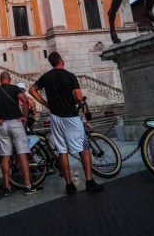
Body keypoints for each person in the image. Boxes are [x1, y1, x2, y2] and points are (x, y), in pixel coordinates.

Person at [29, 52, 104, 195]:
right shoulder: (70, 76)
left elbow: (31, 90)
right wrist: (81, 101)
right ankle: (89, 181)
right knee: (84, 148)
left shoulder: (47, 77)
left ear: (51, 63)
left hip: (55, 117)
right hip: (71, 116)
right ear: (61, 61)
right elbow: (78, 97)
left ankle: (69, 184)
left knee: (62, 150)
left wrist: (46, 103)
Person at [0, 72, 43, 197]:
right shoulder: (14, 88)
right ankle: (27, 186)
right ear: (9, 79)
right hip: (15, 123)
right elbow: (24, 100)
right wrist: (24, 116)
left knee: (5, 157)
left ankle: (6, 187)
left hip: (2, 125)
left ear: (0, 79)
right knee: (22, 154)